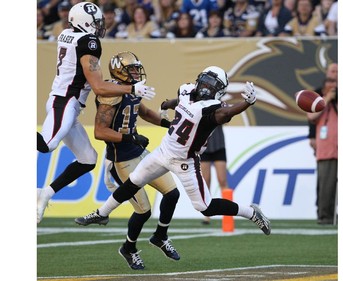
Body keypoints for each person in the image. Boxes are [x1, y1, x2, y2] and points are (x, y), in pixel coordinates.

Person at [75, 66, 271, 238]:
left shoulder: (213, 109)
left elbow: (227, 113)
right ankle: (102, 213)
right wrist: (166, 104)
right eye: (205, 80)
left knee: (204, 207)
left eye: (211, 84)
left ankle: (251, 212)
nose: (205, 86)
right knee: (134, 181)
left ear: (218, 91)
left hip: (185, 162)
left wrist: (247, 103)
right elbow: (181, 101)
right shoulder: (187, 90)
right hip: (163, 151)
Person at [37, 1, 156, 224]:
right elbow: (99, 86)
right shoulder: (88, 41)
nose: (100, 26)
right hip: (65, 102)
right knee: (47, 145)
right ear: (85, 22)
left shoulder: (67, 33)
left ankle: (46, 193)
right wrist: (132, 88)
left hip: (69, 103)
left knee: (88, 159)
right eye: (96, 22)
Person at [75, 51, 180, 269]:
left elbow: (144, 112)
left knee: (172, 193)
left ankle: (160, 236)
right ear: (119, 71)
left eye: (136, 68)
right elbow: (100, 131)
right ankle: (129, 248)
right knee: (144, 210)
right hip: (121, 159)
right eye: (131, 69)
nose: (136, 73)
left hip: (139, 152)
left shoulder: (131, 91)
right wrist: (130, 136)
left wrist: (167, 124)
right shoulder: (110, 94)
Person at [307, 63, 338, 225]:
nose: (333, 83)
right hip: (326, 147)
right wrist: (328, 98)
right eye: (332, 73)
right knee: (326, 182)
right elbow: (311, 117)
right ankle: (325, 215)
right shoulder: (318, 96)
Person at [200, 124, 230, 225]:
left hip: (218, 145)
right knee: (206, 181)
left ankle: (228, 213)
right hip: (203, 147)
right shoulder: (199, 108)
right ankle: (207, 215)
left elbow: (226, 118)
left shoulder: (218, 107)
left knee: (222, 180)